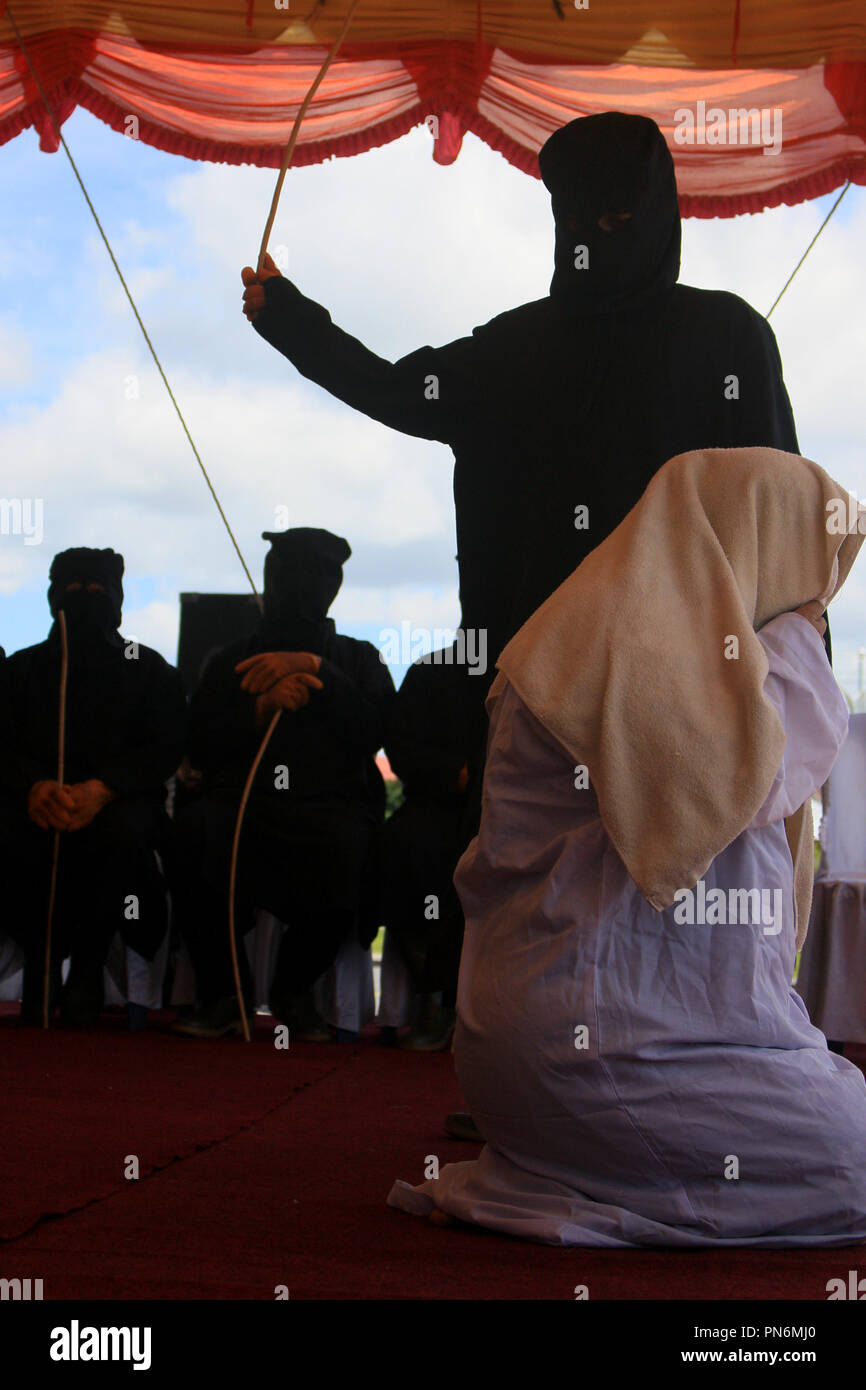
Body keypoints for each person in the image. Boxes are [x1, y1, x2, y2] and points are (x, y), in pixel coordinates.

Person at [388, 448, 866, 1247]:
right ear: (755, 544)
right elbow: (749, 781)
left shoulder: (582, 632)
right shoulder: (644, 653)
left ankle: (584, 1175)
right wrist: (798, 645)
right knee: (853, 1162)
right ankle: (622, 1182)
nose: (815, 602)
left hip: (538, 1055)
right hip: (607, 1047)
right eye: (808, 570)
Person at [241, 111, 800, 708]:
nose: (593, 244)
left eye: (618, 221)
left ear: (658, 215)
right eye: (577, 221)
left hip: (678, 706)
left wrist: (788, 698)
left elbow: (783, 523)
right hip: (547, 710)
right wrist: (290, 319)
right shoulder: (526, 346)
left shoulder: (726, 340)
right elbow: (394, 389)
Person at [171, 527, 395, 1039]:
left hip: (328, 807)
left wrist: (318, 673)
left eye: (307, 578)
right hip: (242, 806)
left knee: (353, 848)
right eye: (284, 576)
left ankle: (294, 988)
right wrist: (260, 709)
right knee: (193, 833)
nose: (293, 590)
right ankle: (227, 992)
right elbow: (200, 743)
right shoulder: (230, 659)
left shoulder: (358, 658)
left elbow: (375, 732)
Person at [0, 548, 186, 1025]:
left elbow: (163, 748)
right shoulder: (19, 670)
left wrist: (102, 790)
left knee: (119, 837)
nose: (84, 598)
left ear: (118, 598)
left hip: (118, 807)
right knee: (11, 836)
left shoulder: (148, 669)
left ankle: (87, 964)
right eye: (73, 590)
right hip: (33, 805)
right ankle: (41, 960)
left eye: (97, 590)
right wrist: (33, 787)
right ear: (51, 597)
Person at [381, 646, 473, 1049]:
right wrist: (455, 774)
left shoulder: (547, 662)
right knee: (401, 848)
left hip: (522, 812)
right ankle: (435, 995)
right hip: (439, 806)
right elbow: (401, 745)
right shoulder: (433, 670)